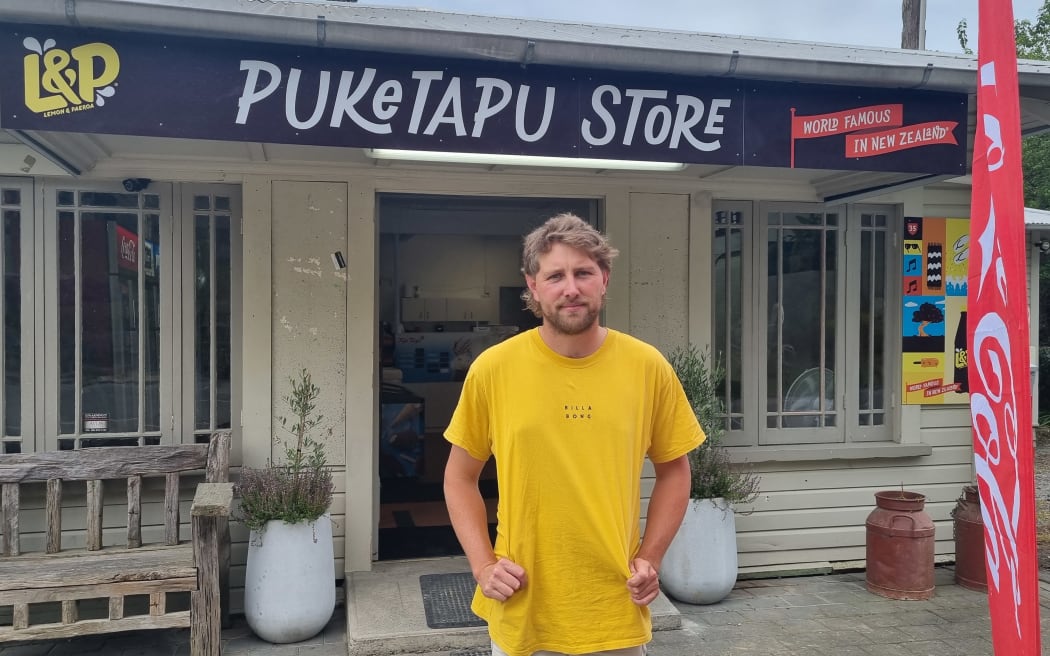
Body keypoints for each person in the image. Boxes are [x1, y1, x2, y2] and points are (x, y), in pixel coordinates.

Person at [443, 213, 705, 656]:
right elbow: (458, 478)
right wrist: (483, 564)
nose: (571, 288)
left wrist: (651, 557)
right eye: (555, 275)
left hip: (613, 606)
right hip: (523, 607)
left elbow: (675, 472)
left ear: (604, 278)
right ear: (533, 286)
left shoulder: (647, 367)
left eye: (583, 272)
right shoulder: (493, 369)